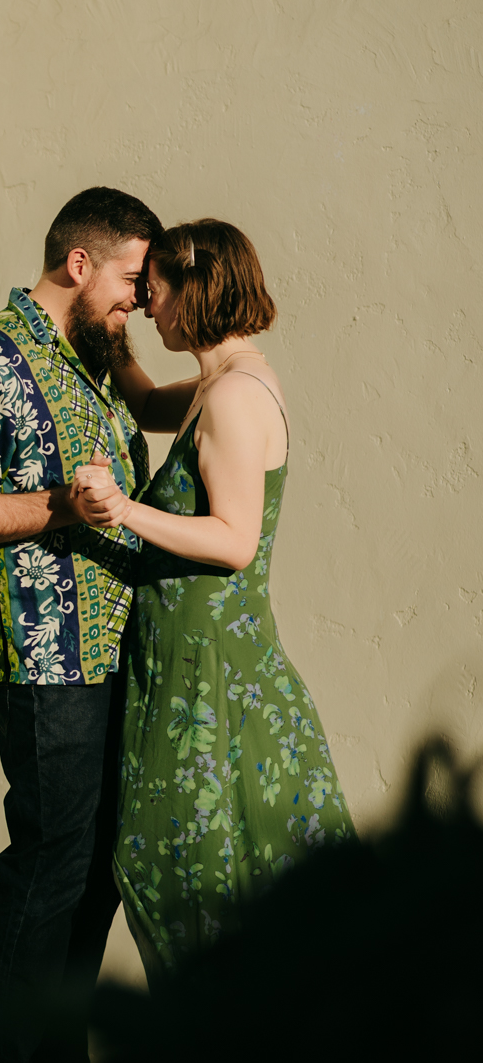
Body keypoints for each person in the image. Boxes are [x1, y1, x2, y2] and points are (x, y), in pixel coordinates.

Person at [0, 187, 196, 1063]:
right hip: (42, 646)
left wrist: (232, 371)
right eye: (131, 281)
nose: (138, 302)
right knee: (46, 861)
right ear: (79, 265)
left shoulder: (95, 355)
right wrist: (60, 510)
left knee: (97, 869)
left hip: (118, 638)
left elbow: (160, 407)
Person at [73, 218, 355, 973]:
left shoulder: (232, 398)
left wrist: (123, 509)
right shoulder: (216, 386)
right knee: (191, 859)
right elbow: (140, 405)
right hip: (193, 656)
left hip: (213, 670)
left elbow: (233, 541)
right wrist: (107, 327)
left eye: (154, 293)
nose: (146, 306)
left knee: (193, 863)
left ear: (192, 292)